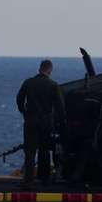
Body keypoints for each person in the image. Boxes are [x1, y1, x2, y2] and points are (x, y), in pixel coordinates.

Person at [15, 59, 66, 189]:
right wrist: (63, 123)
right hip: (45, 122)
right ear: (50, 71)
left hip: (31, 120)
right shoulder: (53, 85)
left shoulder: (28, 82)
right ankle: (44, 179)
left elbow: (19, 99)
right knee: (44, 150)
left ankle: (28, 181)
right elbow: (60, 107)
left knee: (30, 151)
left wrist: (24, 112)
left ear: (39, 69)